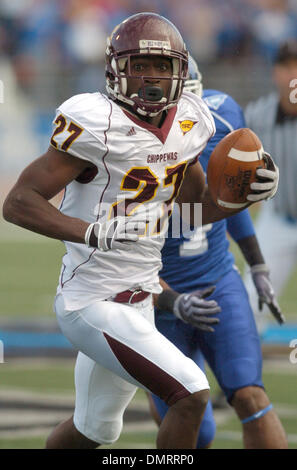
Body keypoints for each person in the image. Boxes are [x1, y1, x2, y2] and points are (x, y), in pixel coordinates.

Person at [2, 13, 279, 450]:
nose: (152, 76)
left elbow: (195, 210)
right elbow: (17, 203)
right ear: (117, 70)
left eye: (163, 66)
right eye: (140, 65)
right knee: (191, 391)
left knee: (94, 430)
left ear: (180, 71)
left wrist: (244, 194)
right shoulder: (96, 123)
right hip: (90, 300)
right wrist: (92, 233)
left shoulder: (191, 122)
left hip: (141, 298)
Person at [148, 56, 288, 449]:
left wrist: (257, 264)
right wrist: (171, 301)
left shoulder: (224, 119)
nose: (185, 124)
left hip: (218, 281)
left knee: (250, 396)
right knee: (199, 427)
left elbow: (229, 204)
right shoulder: (128, 152)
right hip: (155, 299)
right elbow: (131, 243)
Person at [244, 39, 297, 334]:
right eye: (287, 66)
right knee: (252, 300)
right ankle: (244, 375)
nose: (293, 74)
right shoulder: (258, 116)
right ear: (275, 72)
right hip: (278, 217)